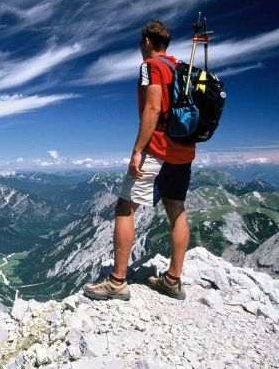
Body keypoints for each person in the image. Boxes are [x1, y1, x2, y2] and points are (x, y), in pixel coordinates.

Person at [83, 19, 195, 301]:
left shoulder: (151, 67)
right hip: (183, 152)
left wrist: (137, 150)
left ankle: (117, 281)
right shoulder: (182, 68)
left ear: (147, 41)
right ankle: (172, 280)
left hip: (157, 149)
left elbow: (153, 108)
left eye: (140, 43)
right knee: (177, 211)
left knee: (124, 208)